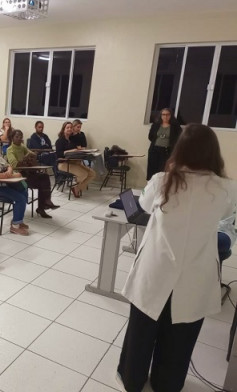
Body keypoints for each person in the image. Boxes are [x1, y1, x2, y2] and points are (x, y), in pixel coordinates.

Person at [117, 123, 237, 392]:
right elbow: (224, 214)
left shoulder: (162, 181)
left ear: (179, 149)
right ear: (213, 153)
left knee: (141, 332)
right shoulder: (227, 189)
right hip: (196, 275)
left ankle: (132, 379)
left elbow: (143, 205)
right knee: (180, 338)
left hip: (156, 270)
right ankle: (167, 383)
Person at [7, 129, 58, 218]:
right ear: (12, 138)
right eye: (17, 137)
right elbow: (15, 165)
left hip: (28, 172)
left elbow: (32, 154)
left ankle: (46, 201)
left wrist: (31, 156)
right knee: (42, 183)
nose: (19, 138)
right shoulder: (10, 149)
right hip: (19, 176)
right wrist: (26, 159)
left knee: (45, 177)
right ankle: (43, 206)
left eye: (21, 137)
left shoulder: (22, 146)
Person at [55, 121, 95, 198]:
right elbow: (59, 154)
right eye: (67, 127)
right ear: (63, 129)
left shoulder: (73, 140)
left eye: (71, 127)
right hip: (64, 164)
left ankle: (76, 188)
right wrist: (71, 151)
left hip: (75, 162)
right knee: (83, 174)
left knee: (92, 174)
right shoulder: (60, 141)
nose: (69, 129)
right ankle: (75, 188)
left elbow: (79, 147)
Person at [146, 108, 182, 181]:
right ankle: (152, 185)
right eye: (163, 114)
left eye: (167, 115)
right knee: (153, 170)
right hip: (154, 150)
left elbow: (179, 138)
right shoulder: (155, 125)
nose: (165, 116)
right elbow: (151, 136)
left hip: (167, 151)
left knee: (164, 171)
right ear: (161, 116)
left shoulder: (175, 126)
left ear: (171, 115)